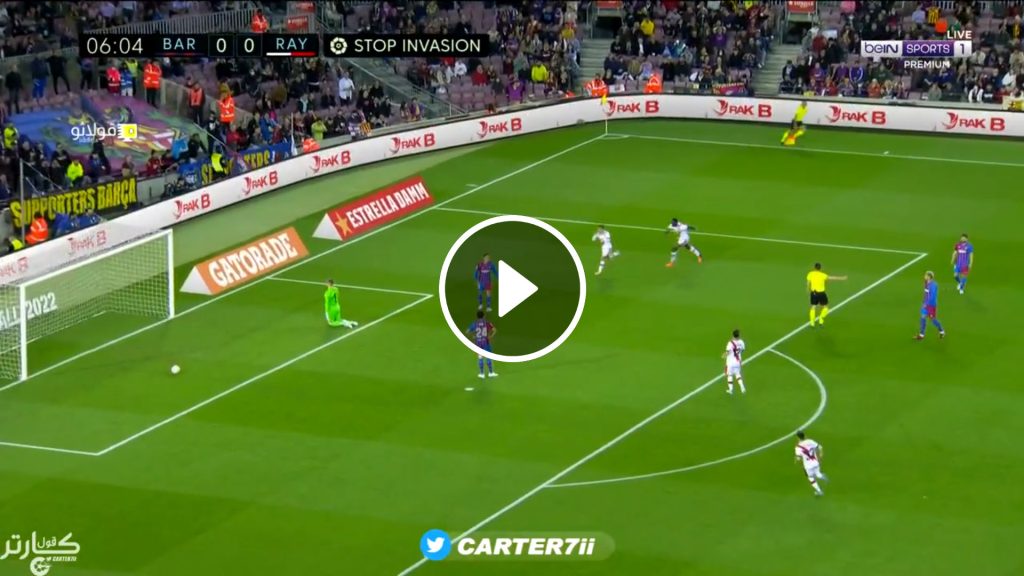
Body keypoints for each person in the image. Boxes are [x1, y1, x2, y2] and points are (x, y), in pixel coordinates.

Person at [806, 263, 847, 327]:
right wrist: (842, 278)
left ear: (814, 267)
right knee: (825, 307)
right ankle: (821, 318)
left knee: (813, 307)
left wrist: (808, 290)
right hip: (821, 293)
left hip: (813, 292)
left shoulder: (810, 274)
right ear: (820, 268)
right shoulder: (823, 275)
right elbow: (833, 278)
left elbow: (808, 283)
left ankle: (812, 322)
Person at [794, 430, 828, 497]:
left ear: (798, 437)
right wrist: (821, 456)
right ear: (804, 435)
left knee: (811, 478)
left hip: (808, 466)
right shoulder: (810, 441)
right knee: (817, 473)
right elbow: (820, 447)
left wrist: (801, 465)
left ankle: (819, 491)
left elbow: (798, 459)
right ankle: (821, 476)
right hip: (816, 462)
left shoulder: (798, 447)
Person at [466, 310, 497, 379]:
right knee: (488, 357)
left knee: (480, 357)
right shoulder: (487, 323)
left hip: (478, 343)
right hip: (486, 342)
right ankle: (491, 373)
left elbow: (467, 331)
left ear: (477, 316)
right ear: (483, 316)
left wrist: (474, 336)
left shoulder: (474, 324)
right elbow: (494, 330)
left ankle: (482, 374)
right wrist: (490, 336)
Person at [915, 271, 945, 340]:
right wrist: (923, 302)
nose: (924, 276)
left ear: (929, 277)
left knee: (933, 319)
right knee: (923, 317)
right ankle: (921, 335)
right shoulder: (926, 283)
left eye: (926, 275)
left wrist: (926, 304)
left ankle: (941, 331)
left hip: (931, 305)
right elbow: (926, 294)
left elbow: (932, 296)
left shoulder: (933, 285)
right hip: (925, 304)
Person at [723, 329, 746, 395]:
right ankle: (742, 387)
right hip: (738, 361)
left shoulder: (730, 343)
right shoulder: (741, 342)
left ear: (733, 335)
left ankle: (731, 390)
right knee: (738, 374)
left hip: (730, 362)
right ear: (739, 335)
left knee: (729, 375)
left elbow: (728, 352)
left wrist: (724, 355)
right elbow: (743, 349)